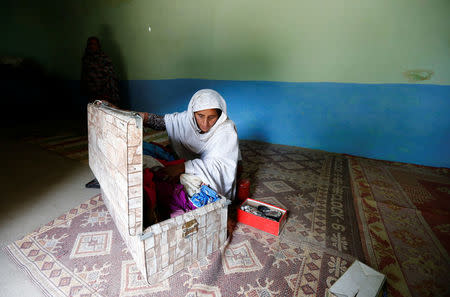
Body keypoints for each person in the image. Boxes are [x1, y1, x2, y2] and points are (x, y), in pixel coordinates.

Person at [102, 89, 240, 199]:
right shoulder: (186, 120)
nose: (205, 123)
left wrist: (182, 167)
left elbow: (221, 169)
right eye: (200, 116)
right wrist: (119, 111)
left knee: (190, 191)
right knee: (144, 151)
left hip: (201, 172)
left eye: (211, 117)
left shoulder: (226, 130)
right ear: (193, 113)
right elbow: (157, 121)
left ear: (220, 115)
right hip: (187, 164)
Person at [81, 36, 120, 106]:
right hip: (91, 94)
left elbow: (110, 76)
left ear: (98, 46)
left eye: (94, 44)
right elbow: (84, 76)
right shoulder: (86, 59)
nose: (92, 46)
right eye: (90, 44)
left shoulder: (104, 58)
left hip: (106, 94)